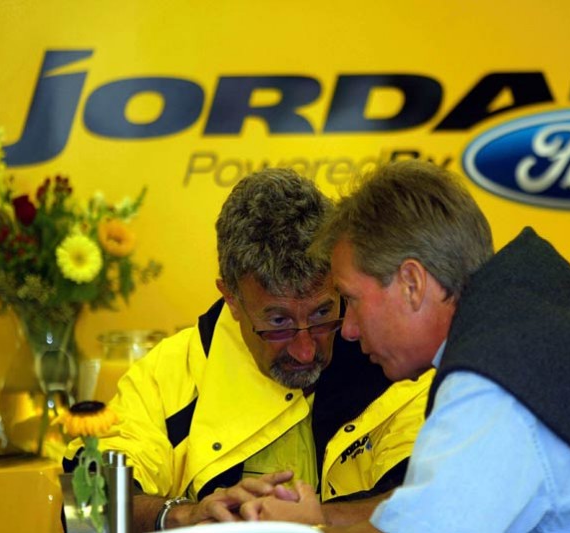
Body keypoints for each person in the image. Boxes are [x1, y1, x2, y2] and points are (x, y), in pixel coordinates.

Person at [239, 160, 570, 532]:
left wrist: (303, 528)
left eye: (351, 300)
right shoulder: (537, 308)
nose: (347, 330)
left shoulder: (495, 377)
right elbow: (436, 506)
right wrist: (320, 518)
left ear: (411, 282)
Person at [62, 168, 433, 531]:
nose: (306, 351)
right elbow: (83, 506)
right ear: (232, 298)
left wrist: (311, 520)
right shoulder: (171, 373)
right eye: (278, 323)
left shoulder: (393, 361)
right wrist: (180, 516)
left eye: (323, 313)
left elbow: (440, 502)